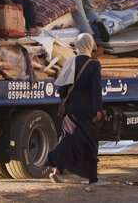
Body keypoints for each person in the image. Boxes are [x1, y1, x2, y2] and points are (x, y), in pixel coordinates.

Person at [47, 33, 103, 184]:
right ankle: (92, 178)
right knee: (89, 143)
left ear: (77, 45)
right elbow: (95, 89)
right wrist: (98, 109)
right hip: (87, 110)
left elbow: (62, 89)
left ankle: (56, 169)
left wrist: (65, 103)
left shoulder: (70, 62)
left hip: (71, 109)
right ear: (90, 45)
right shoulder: (94, 64)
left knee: (68, 139)